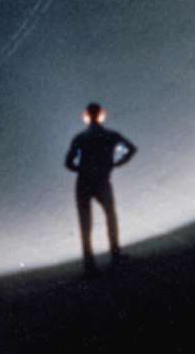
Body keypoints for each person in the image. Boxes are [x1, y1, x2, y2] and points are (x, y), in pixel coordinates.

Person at [64, 102, 136, 274]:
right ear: (102, 115)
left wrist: (83, 169)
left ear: (86, 117)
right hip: (102, 180)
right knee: (111, 216)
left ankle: (89, 264)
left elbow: (68, 163)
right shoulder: (111, 135)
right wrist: (116, 163)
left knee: (85, 223)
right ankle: (115, 254)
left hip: (83, 182)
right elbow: (131, 149)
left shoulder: (80, 138)